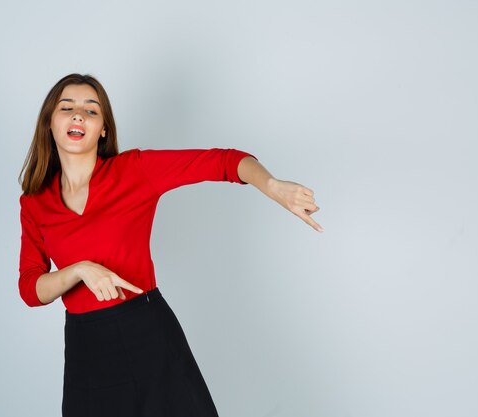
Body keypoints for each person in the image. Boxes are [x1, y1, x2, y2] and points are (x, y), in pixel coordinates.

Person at [17, 73, 323, 417]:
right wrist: (79, 271)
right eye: (66, 107)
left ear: (103, 129)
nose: (78, 115)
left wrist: (271, 185)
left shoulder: (133, 170)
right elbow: (31, 288)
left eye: (91, 110)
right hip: (86, 350)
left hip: (148, 335)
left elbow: (222, 161)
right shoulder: (34, 203)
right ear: (49, 123)